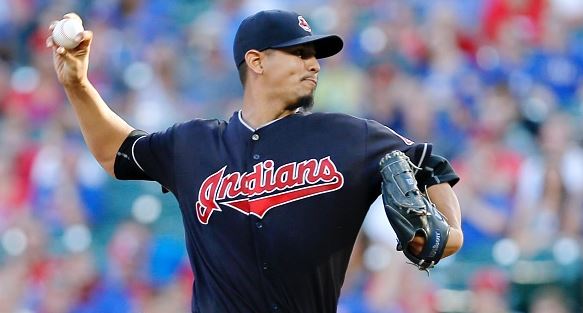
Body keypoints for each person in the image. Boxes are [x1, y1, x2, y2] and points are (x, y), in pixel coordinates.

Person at [47, 9, 463, 313]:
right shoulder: (193, 144)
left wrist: (450, 233)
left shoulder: (348, 136)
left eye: (315, 55)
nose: (314, 64)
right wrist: (78, 84)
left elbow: (431, 165)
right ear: (256, 61)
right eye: (299, 54)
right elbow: (114, 151)